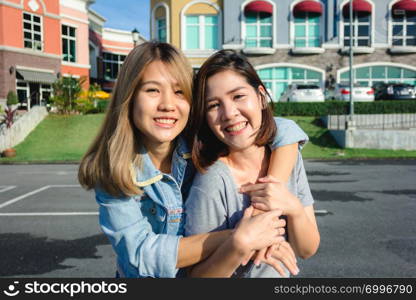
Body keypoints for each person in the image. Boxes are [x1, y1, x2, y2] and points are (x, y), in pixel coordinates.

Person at [78, 42, 308, 278]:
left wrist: (267, 202)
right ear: (130, 97)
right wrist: (241, 236)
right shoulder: (112, 169)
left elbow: (282, 128)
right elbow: (140, 254)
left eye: (179, 92)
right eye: (152, 90)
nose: (167, 105)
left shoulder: (199, 141)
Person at [185, 49, 320, 278]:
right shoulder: (212, 182)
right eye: (213, 105)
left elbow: (306, 249)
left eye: (238, 96)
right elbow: (194, 278)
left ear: (260, 97)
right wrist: (239, 245)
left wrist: (293, 208)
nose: (228, 113)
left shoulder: (287, 156)